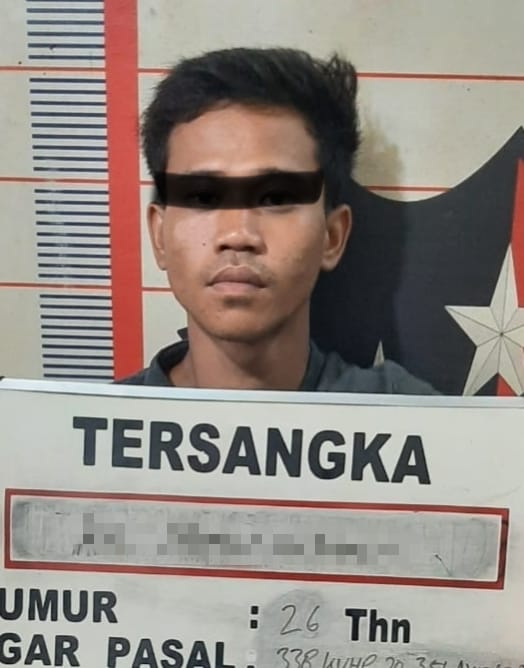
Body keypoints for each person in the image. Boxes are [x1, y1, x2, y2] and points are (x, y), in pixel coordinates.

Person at [120, 47, 436, 394]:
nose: (238, 234)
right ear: (159, 236)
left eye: (276, 199)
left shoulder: (411, 416)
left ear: (332, 237)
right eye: (203, 198)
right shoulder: (92, 425)